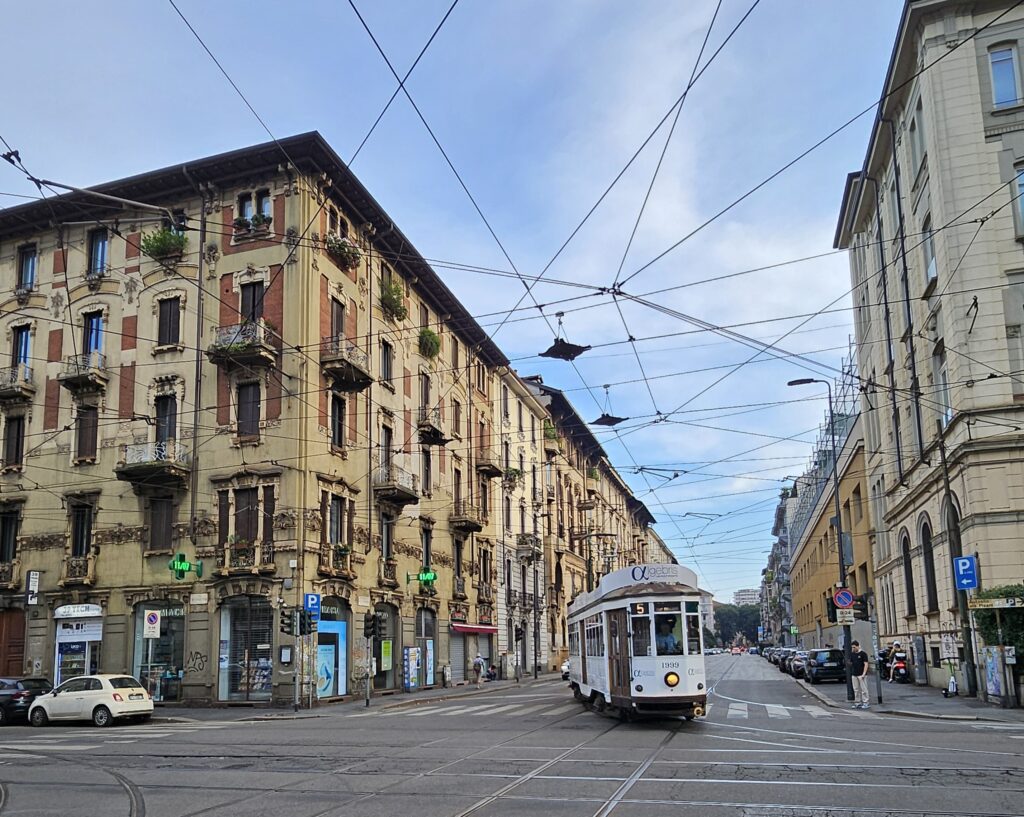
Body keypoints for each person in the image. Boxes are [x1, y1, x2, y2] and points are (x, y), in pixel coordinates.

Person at [850, 640, 870, 709]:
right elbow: (851, 662)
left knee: (864, 689)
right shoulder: (852, 654)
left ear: (858, 646)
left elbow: (866, 664)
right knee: (856, 689)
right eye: (852, 647)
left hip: (861, 674)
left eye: (854, 647)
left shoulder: (863, 654)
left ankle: (866, 702)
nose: (853, 649)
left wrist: (864, 674)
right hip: (854, 674)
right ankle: (857, 702)